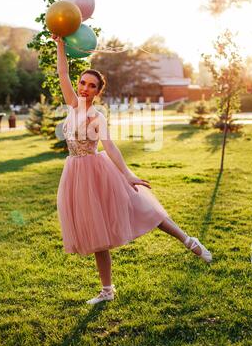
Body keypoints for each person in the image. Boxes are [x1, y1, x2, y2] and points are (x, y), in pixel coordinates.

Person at [53, 34, 212, 305]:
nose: (84, 88)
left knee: (145, 209)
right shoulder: (71, 105)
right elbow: (63, 71)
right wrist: (60, 44)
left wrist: (127, 175)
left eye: (92, 86)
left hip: (98, 172)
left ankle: (189, 241)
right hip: (76, 175)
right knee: (97, 235)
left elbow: (110, 147)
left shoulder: (96, 116)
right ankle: (107, 291)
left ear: (98, 92)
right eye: (82, 82)